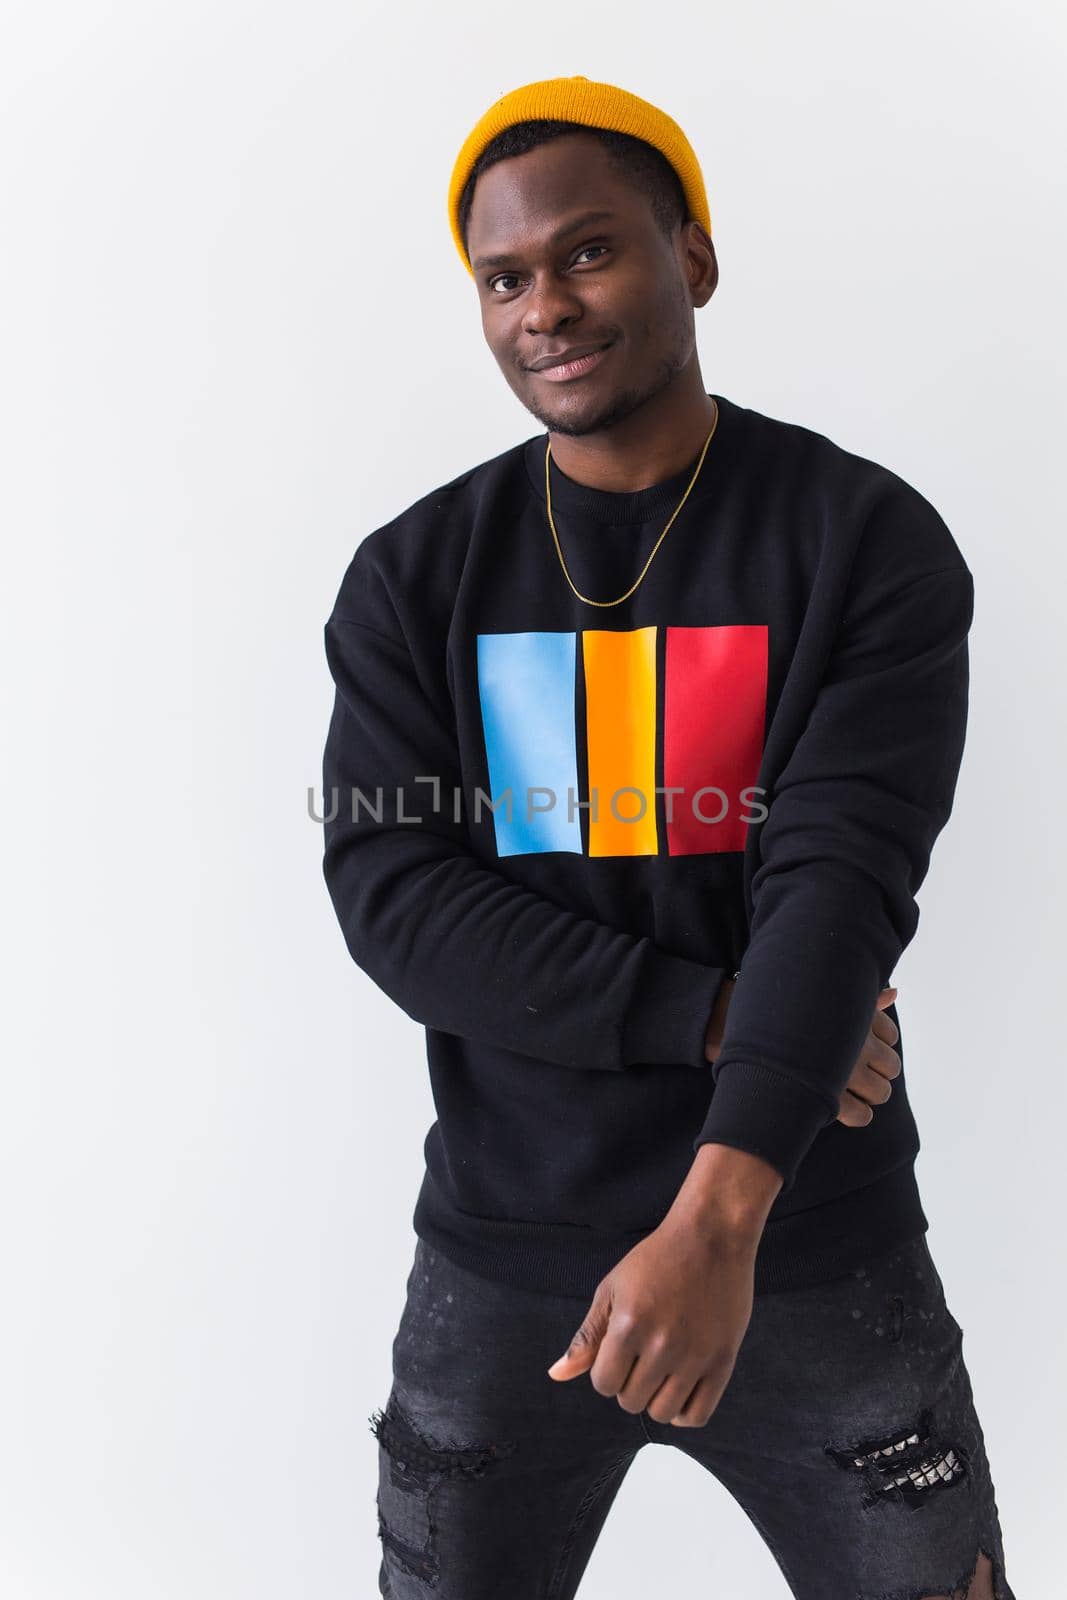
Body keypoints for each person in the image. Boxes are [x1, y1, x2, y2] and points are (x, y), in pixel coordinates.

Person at [320, 74, 1014, 1600]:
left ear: (691, 260)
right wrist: (719, 1017)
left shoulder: (860, 542)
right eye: (504, 277)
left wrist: (719, 1213)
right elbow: (394, 896)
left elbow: (840, 878)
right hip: (508, 1253)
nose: (544, 308)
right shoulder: (414, 578)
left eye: (588, 253)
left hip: (805, 1233)